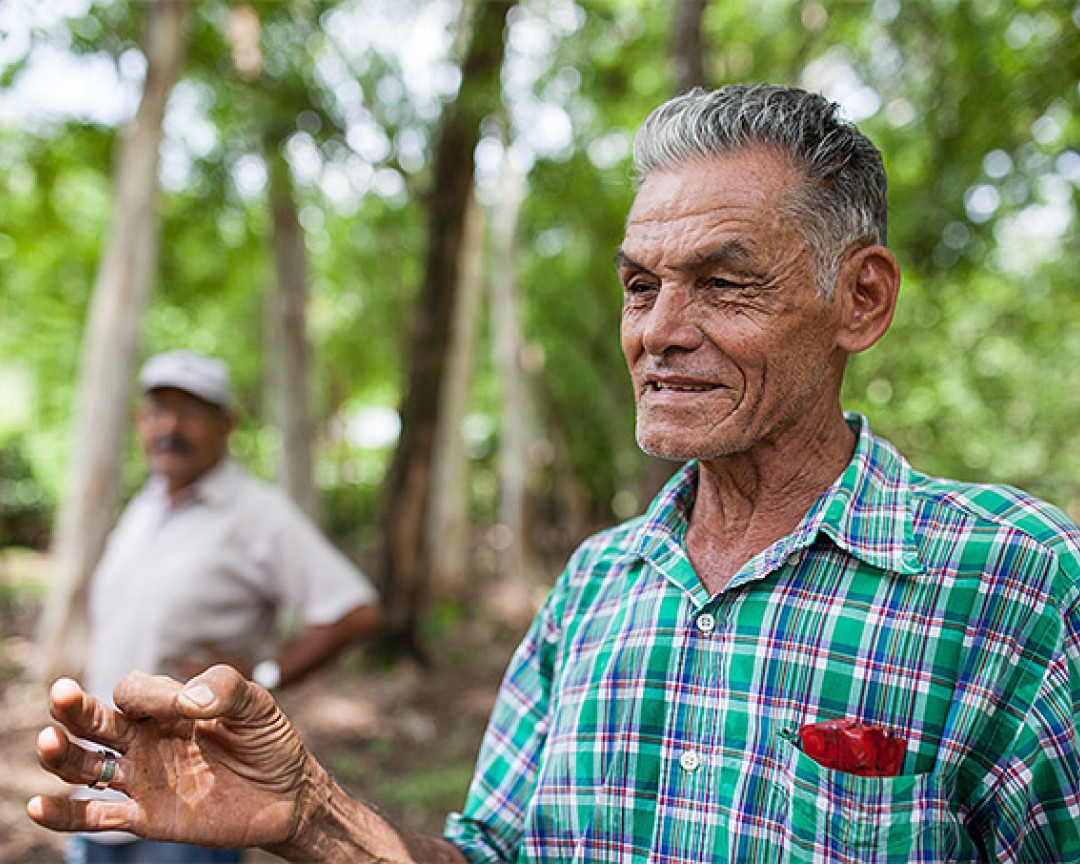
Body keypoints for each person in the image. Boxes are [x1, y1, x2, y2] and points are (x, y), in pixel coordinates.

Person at [29, 85, 1080, 862]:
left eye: (723, 282)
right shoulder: (595, 588)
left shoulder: (1016, 584)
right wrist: (310, 812)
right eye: (639, 285)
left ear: (860, 301)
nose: (659, 332)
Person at [62, 349, 382, 864]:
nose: (170, 426)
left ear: (227, 423)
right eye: (158, 410)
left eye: (190, 412)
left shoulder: (256, 513)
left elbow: (354, 610)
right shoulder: (144, 506)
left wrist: (264, 675)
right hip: (104, 789)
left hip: (192, 797)